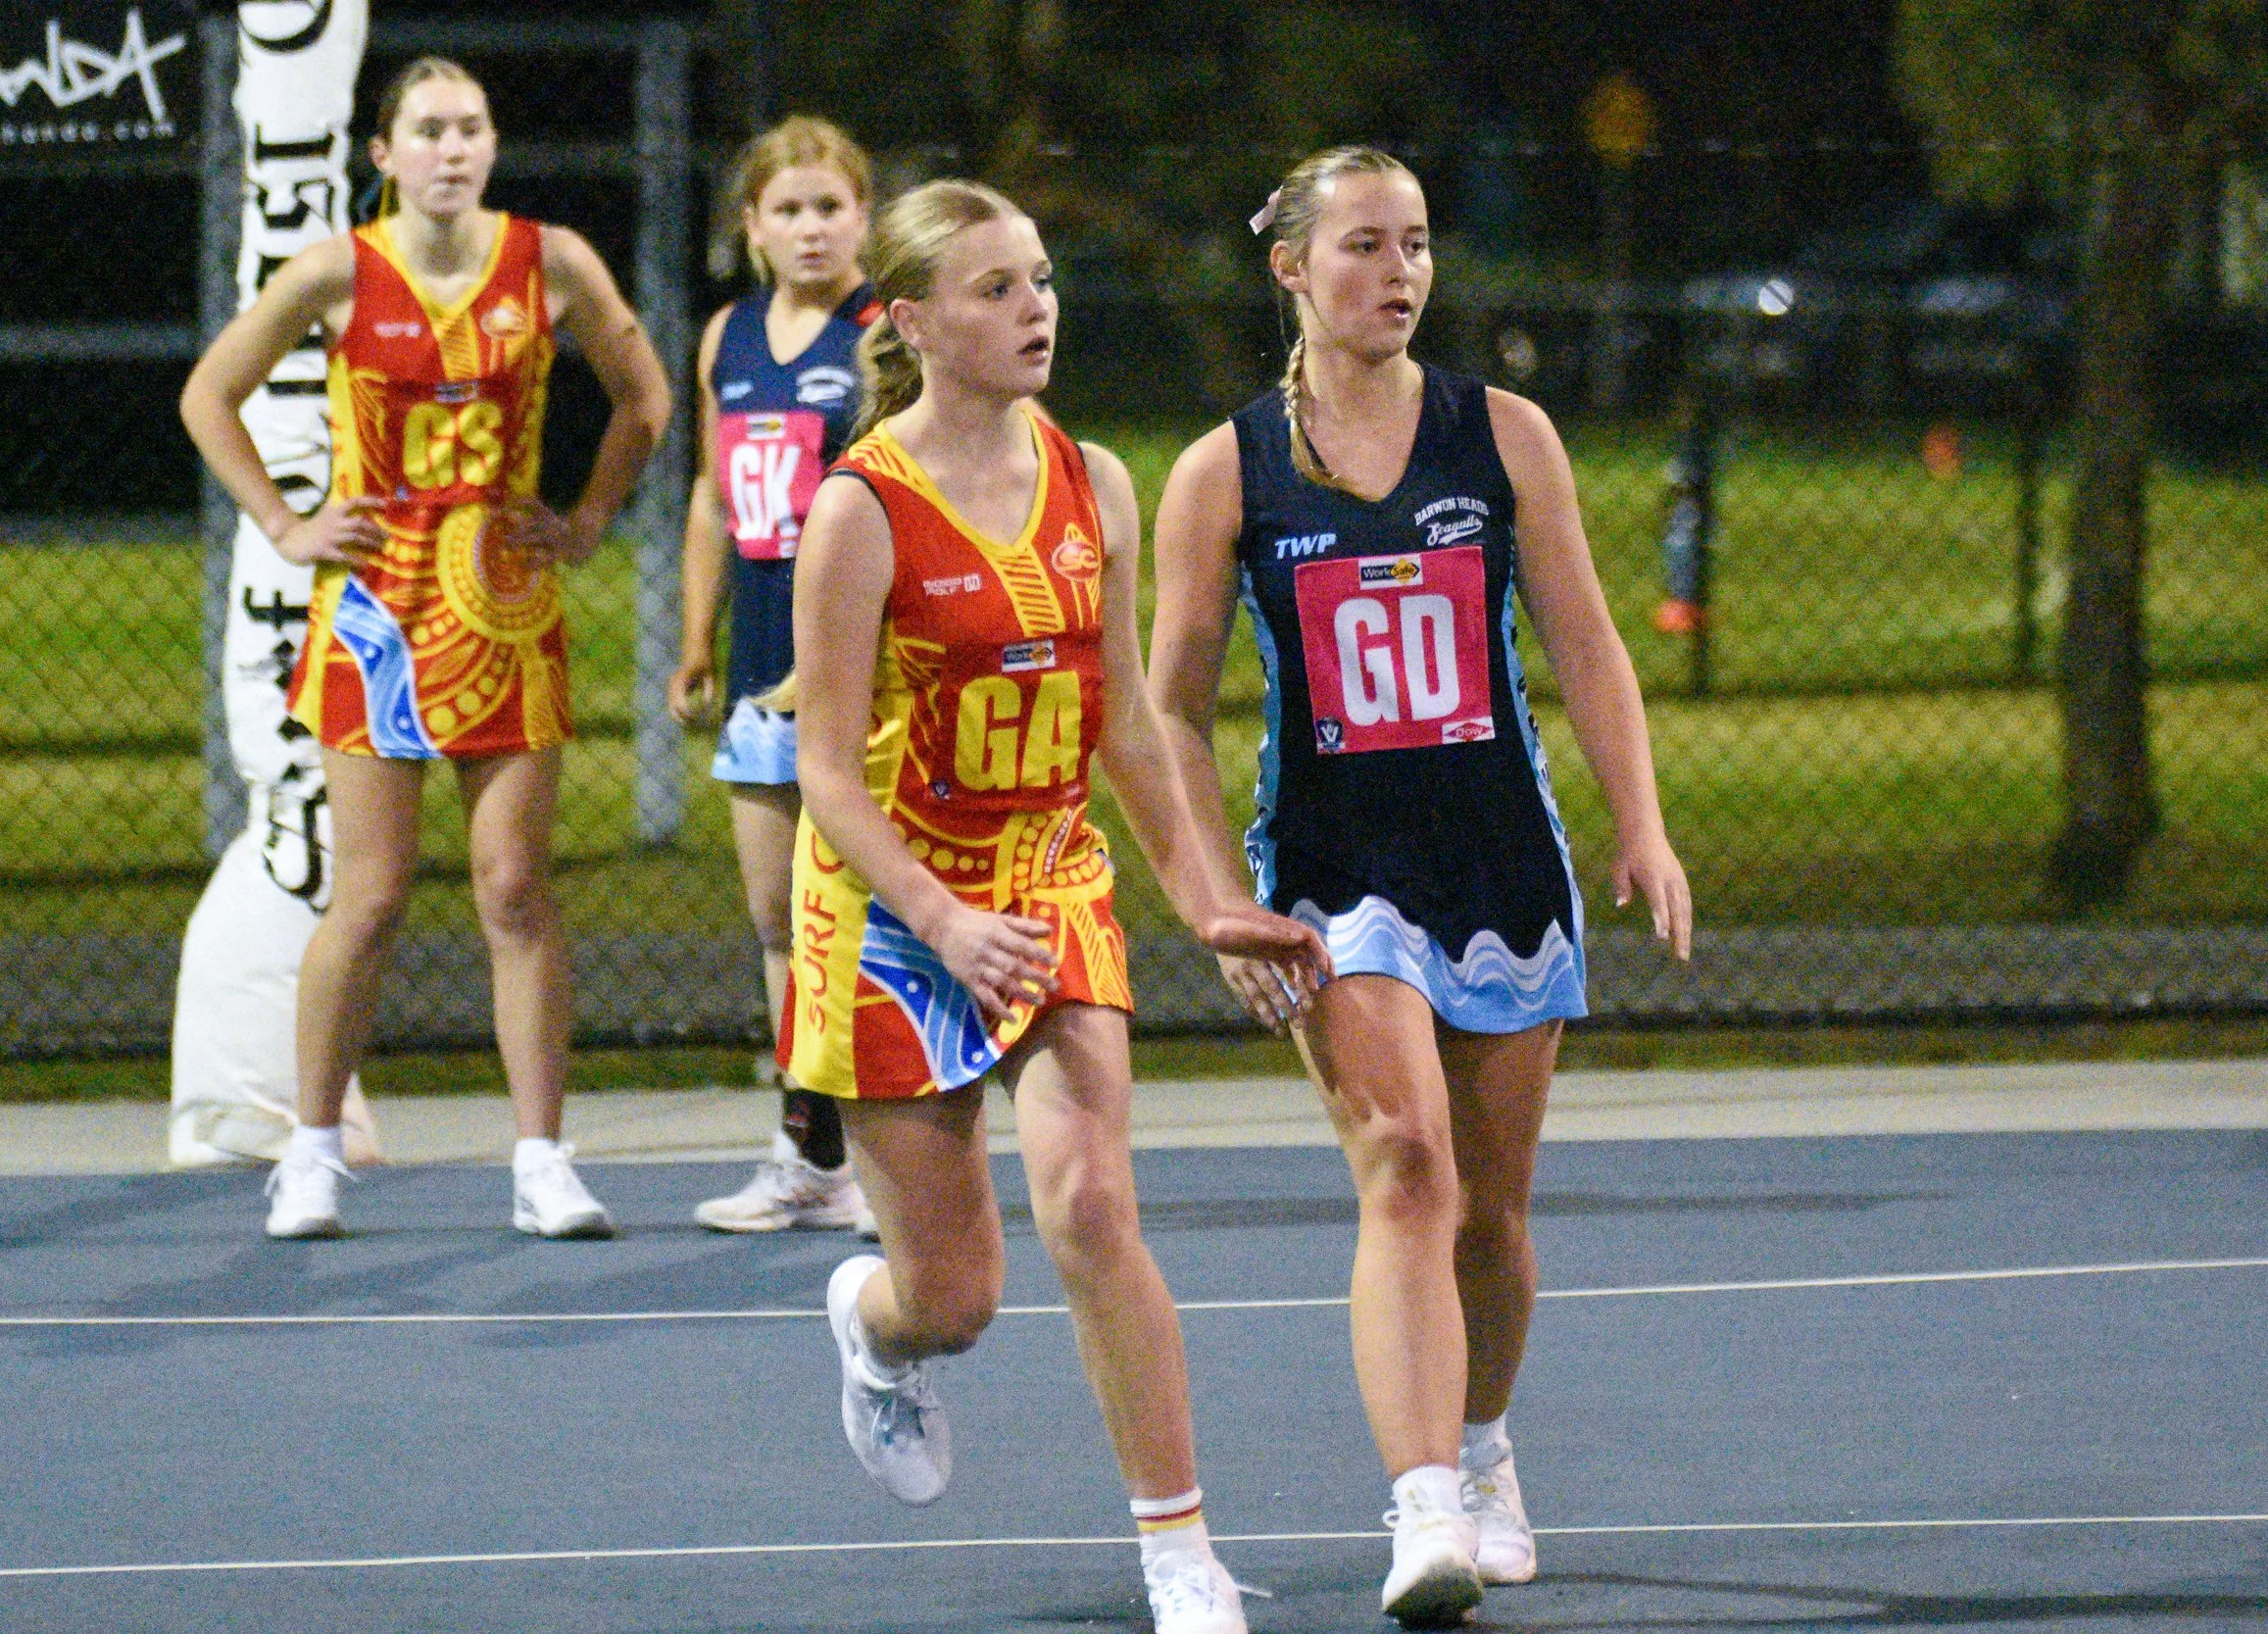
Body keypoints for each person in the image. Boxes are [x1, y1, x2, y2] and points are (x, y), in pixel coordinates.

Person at [1148, 147, 1692, 1627]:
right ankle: (1423, 1501)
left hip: (1499, 857)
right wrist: (1210, 890)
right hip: (1335, 875)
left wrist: (1638, 821)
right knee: (1406, 1159)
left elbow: (1586, 645)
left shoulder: (1501, 435)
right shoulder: (1226, 469)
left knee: (1492, 1213)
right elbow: (1172, 711)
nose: (1400, 273)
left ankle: (1487, 1443)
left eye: (1419, 245)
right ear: (1293, 268)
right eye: (1366, 246)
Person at [781, 179, 1331, 1634]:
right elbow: (826, 771)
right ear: (912, 322)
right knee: (954, 1294)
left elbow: (1130, 728)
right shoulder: (859, 509)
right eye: (996, 290)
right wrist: (944, 923)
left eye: (1041, 279)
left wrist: (1212, 899)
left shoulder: (1095, 479)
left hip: (1046, 878)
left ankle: (1179, 1550)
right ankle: (873, 1324)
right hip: (896, 917)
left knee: (1090, 1199)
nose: (1037, 310)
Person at [179, 56, 672, 1241]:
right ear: (383, 152)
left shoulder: (549, 260)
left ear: (493, 146)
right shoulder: (337, 270)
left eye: (471, 129)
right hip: (379, 615)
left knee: (514, 888)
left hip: (505, 609)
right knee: (375, 892)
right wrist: (290, 524)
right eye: (429, 130)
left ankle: (543, 1158)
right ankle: (308, 1152)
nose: (452, 149)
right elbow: (210, 395)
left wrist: (594, 513)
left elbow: (644, 397)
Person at [671, 117, 882, 1237]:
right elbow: (714, 496)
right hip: (758, 671)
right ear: (750, 226)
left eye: (830, 206)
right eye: (787, 209)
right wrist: (698, 639)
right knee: (777, 918)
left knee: (870, 905)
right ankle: (812, 1150)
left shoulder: (883, 336)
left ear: (863, 215)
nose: (810, 227)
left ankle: (902, 1145)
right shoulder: (729, 338)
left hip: (858, 671)